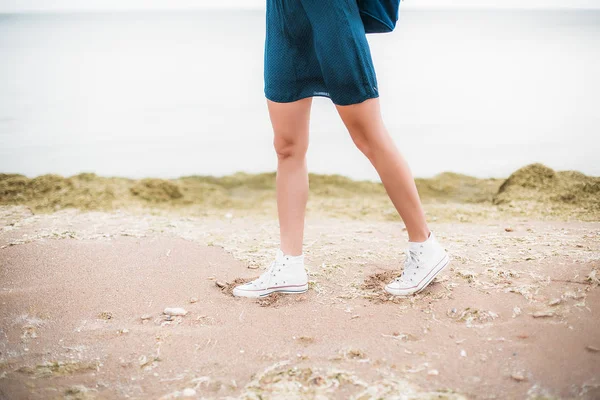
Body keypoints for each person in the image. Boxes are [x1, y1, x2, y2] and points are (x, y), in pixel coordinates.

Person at [232, 0, 450, 298]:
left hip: (332, 19)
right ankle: (289, 264)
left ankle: (425, 246)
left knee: (368, 137)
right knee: (286, 147)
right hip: (285, 23)